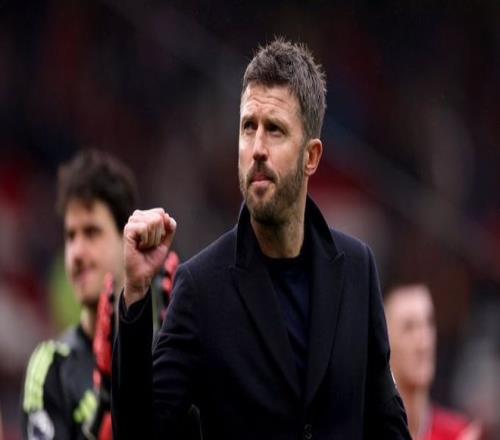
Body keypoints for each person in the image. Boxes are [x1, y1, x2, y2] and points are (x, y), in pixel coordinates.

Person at [113, 38, 411, 439]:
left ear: (311, 156)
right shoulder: (201, 287)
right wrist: (136, 293)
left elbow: (387, 425)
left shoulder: (357, 268)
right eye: (248, 127)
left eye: (274, 130)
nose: (256, 149)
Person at [21, 150, 139, 439]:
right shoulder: (51, 369)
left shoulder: (162, 353)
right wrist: (102, 411)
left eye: (91, 232)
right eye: (70, 236)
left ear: (126, 240)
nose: (76, 253)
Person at [384, 283, 482, 440]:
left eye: (428, 323)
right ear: (384, 344)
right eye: (409, 328)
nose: (424, 343)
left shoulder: (460, 434)